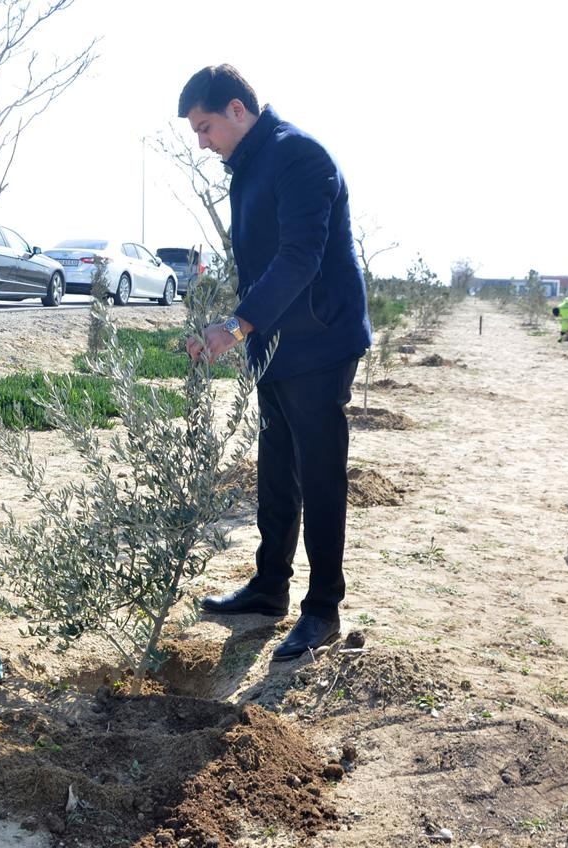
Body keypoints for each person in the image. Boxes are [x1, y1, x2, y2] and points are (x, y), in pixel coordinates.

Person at [177, 65, 371, 661]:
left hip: (319, 341)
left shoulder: (298, 156)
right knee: (276, 472)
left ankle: (323, 610)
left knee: (319, 476)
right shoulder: (250, 166)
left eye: (205, 127)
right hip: (277, 347)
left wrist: (236, 325)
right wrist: (245, 328)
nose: (202, 143)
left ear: (237, 110)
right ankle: (269, 588)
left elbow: (300, 258)